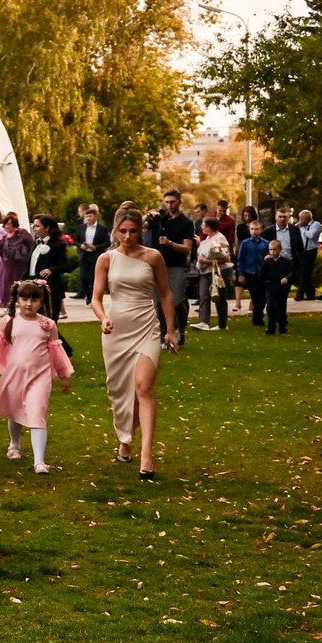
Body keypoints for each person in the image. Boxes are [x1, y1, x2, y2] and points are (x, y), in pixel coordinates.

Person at [91, 209, 178, 479]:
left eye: (133, 231)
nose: (127, 236)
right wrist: (103, 317)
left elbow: (165, 293)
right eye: (123, 231)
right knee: (120, 391)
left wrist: (171, 331)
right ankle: (125, 441)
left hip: (146, 327)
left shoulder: (153, 256)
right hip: (116, 329)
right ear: (115, 231)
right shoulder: (106, 259)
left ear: (140, 231)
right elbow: (95, 298)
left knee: (144, 387)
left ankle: (147, 454)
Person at [0, 278, 73, 472]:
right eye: (24, 298)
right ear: (16, 299)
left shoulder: (47, 324)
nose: (29, 304)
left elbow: (56, 351)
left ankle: (39, 460)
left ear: (42, 301)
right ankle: (15, 444)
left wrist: (63, 376)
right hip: (14, 375)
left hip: (40, 376)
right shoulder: (10, 321)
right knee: (16, 410)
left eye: (34, 299)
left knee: (38, 411)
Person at [145, 190, 198, 344]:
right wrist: (148, 215)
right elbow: (140, 225)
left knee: (177, 301)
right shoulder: (160, 218)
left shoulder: (186, 223)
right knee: (159, 303)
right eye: (167, 202)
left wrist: (169, 243)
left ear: (179, 202)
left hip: (177, 265)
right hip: (157, 265)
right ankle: (165, 336)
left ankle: (181, 329)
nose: (169, 205)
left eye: (172, 202)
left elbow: (187, 248)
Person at [195, 219, 233, 331]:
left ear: (209, 227)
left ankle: (222, 324)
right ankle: (203, 321)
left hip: (219, 272)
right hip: (206, 271)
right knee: (203, 295)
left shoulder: (220, 238)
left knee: (219, 297)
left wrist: (205, 261)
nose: (202, 227)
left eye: (203, 225)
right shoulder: (207, 238)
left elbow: (226, 257)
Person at [237, 220, 270, 327]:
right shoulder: (246, 243)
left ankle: (258, 315)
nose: (254, 231)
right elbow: (240, 259)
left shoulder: (265, 243)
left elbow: (268, 257)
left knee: (263, 296)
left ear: (261, 230)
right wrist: (241, 274)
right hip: (250, 272)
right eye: (252, 229)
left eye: (256, 229)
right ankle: (258, 318)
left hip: (262, 272)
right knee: (256, 296)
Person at [260, 237, 294, 333]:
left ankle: (282, 326)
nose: (272, 252)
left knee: (281, 306)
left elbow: (291, 272)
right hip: (270, 285)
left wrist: (286, 278)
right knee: (270, 305)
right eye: (270, 250)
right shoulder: (268, 261)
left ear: (280, 250)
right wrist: (264, 262)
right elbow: (262, 273)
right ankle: (271, 327)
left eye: (275, 250)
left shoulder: (286, 261)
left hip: (281, 286)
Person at [74, 204, 108, 295]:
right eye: (87, 216)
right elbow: (76, 239)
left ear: (96, 216)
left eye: (90, 216)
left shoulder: (102, 228)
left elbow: (107, 242)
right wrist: (81, 245)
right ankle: (88, 294)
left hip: (96, 255)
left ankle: (94, 295)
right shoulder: (82, 227)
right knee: (83, 276)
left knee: (94, 276)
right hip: (85, 254)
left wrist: (96, 247)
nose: (88, 218)